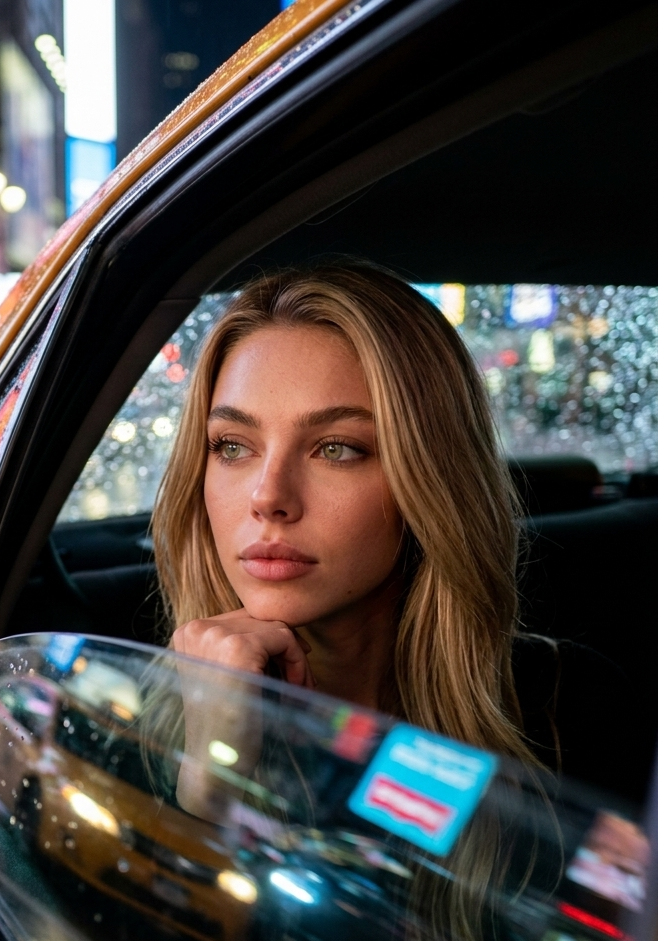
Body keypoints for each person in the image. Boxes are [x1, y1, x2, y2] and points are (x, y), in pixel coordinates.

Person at [151, 261, 649, 800]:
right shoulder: (121, 718)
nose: (268, 497)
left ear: (430, 479)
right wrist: (207, 782)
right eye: (232, 447)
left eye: (337, 449)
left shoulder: (567, 708)